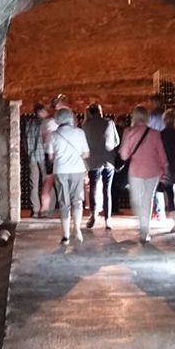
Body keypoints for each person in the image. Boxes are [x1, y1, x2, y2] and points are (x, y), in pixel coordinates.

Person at [118, 106, 167, 244]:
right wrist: (165, 169)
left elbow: (123, 155)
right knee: (148, 199)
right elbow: (161, 154)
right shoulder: (155, 133)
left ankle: (143, 225)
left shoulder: (128, 132)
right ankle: (145, 230)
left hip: (136, 171)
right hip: (153, 171)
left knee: (137, 200)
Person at [45, 107, 89, 244]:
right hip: (77, 169)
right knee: (77, 200)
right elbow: (86, 154)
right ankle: (77, 228)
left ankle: (66, 236)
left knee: (64, 203)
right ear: (71, 118)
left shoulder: (53, 135)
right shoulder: (80, 133)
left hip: (61, 170)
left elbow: (50, 157)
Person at [82, 102, 120, 229]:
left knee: (93, 189)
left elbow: (84, 145)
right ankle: (107, 220)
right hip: (108, 161)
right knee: (107, 190)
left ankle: (93, 216)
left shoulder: (86, 126)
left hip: (93, 161)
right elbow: (117, 141)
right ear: (100, 111)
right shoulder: (109, 122)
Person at [37, 101, 60, 217]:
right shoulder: (53, 122)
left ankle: (44, 208)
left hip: (48, 155)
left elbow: (43, 140)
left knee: (48, 181)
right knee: (62, 180)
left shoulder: (44, 123)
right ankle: (66, 208)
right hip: (57, 154)